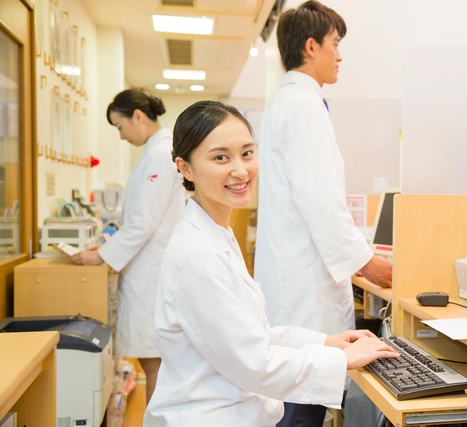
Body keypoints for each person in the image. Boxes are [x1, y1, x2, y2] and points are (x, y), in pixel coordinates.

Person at [143, 100, 397, 426]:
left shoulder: (215, 233)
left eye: (247, 153)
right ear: (185, 168)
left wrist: (325, 342)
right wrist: (340, 360)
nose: (241, 170)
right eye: (221, 157)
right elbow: (255, 362)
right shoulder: (198, 255)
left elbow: (251, 334)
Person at [254, 2, 393, 424]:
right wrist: (366, 262)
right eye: (335, 43)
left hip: (296, 278)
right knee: (301, 404)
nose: (340, 55)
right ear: (311, 47)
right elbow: (319, 199)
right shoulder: (302, 105)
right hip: (303, 289)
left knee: (296, 397)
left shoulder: (291, 101)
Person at [71, 88, 185, 404]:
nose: (121, 136)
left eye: (120, 127)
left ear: (137, 116)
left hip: (152, 272)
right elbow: (141, 220)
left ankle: (159, 422)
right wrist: (103, 251)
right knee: (153, 360)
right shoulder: (154, 152)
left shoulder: (159, 154)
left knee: (153, 360)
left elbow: (142, 223)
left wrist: (102, 256)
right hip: (148, 267)